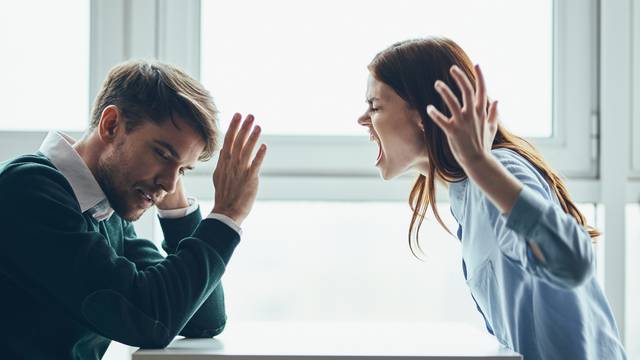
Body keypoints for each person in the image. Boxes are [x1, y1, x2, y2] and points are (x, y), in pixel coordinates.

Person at [357, 38, 626, 360]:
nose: (363, 119)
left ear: (425, 115)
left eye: (375, 106)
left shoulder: (495, 172)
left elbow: (572, 262)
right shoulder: (466, 192)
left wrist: (479, 164)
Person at [0, 60, 266, 359]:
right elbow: (148, 319)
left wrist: (177, 212)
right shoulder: (29, 191)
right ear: (111, 124)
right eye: (163, 154)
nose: (169, 181)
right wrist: (226, 216)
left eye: (182, 170)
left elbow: (203, 319)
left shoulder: (101, 207)